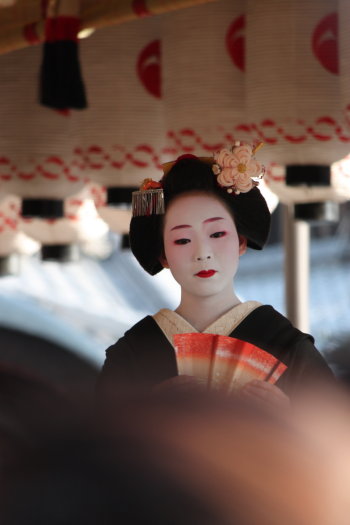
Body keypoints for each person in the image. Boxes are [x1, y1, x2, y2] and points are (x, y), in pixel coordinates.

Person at [97, 142, 332, 404]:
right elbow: (90, 442)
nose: (202, 253)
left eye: (217, 233)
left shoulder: (285, 345)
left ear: (241, 241)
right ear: (163, 255)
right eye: (182, 240)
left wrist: (289, 421)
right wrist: (148, 415)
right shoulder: (134, 353)